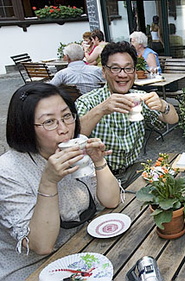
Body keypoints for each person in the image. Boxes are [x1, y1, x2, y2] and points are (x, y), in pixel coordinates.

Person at [0, 83, 121, 280]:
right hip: (32, 270)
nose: (64, 129)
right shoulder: (7, 171)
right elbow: (42, 245)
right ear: (24, 127)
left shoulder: (77, 145)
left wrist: (99, 161)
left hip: (83, 252)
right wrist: (48, 181)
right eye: (49, 122)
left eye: (67, 116)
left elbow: (111, 201)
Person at [75, 42, 178, 188]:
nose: (122, 74)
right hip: (97, 176)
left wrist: (163, 106)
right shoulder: (88, 102)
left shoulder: (139, 98)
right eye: (115, 68)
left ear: (135, 72)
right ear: (104, 71)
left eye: (128, 68)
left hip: (133, 171)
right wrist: (102, 109)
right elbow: (75, 137)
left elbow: (173, 119)